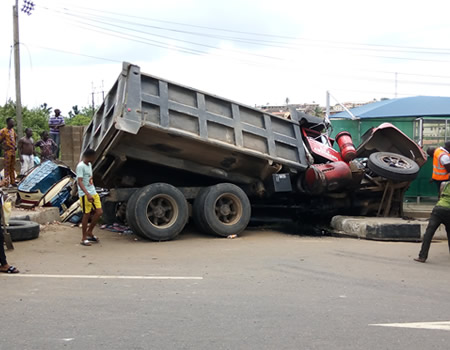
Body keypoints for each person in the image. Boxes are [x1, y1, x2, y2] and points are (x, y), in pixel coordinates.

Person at [414, 181, 450, 263]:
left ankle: (422, 256)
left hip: (438, 210)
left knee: (429, 234)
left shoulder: (444, 184)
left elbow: (440, 196)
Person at [77, 148, 102, 246]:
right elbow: (79, 181)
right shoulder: (80, 166)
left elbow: (89, 179)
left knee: (99, 212)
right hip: (85, 194)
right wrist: (87, 194)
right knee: (86, 214)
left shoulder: (90, 165)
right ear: (90, 157)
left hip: (93, 191)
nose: (94, 158)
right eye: (94, 157)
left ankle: (89, 232)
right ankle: (83, 238)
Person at [0, 118, 17, 187]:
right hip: (7, 152)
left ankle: (13, 182)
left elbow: (15, 138)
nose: (13, 123)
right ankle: (6, 183)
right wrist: (3, 148)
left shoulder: (12, 130)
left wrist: (15, 146)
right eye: (12, 122)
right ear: (8, 123)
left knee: (12, 167)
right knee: (7, 167)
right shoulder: (3, 131)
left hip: (13, 152)